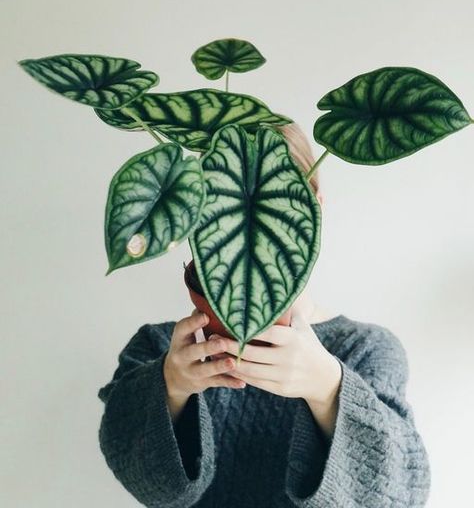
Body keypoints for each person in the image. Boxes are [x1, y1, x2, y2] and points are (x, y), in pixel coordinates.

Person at [97, 122, 431, 507]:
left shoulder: (364, 349)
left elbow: (399, 494)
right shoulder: (161, 347)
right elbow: (140, 474)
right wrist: (171, 385)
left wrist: (329, 389)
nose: (249, 227)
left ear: (313, 208)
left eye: (272, 205)